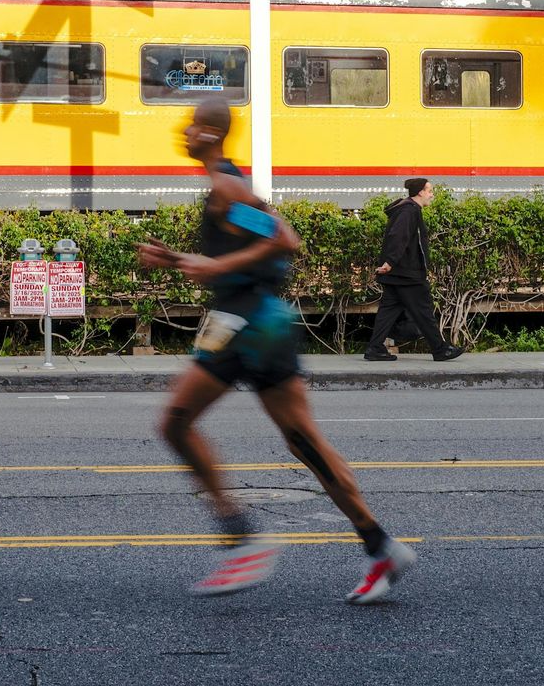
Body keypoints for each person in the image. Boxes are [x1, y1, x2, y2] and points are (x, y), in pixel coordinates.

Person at [137, 97, 416, 605]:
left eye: (193, 124)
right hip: (245, 322)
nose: (184, 130)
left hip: (251, 325)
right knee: (298, 442)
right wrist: (177, 259)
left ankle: (244, 540)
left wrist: (214, 269)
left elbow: (286, 238)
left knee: (184, 423)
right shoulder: (224, 185)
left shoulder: (226, 186)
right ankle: (379, 546)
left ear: (210, 132)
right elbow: (236, 255)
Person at [363, 177, 464, 362]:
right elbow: (398, 237)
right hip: (407, 274)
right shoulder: (408, 211)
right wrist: (390, 262)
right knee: (424, 311)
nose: (432, 195)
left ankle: (375, 348)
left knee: (388, 311)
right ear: (420, 192)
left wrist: (390, 264)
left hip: (398, 274)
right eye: (430, 191)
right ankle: (440, 349)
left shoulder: (408, 209)